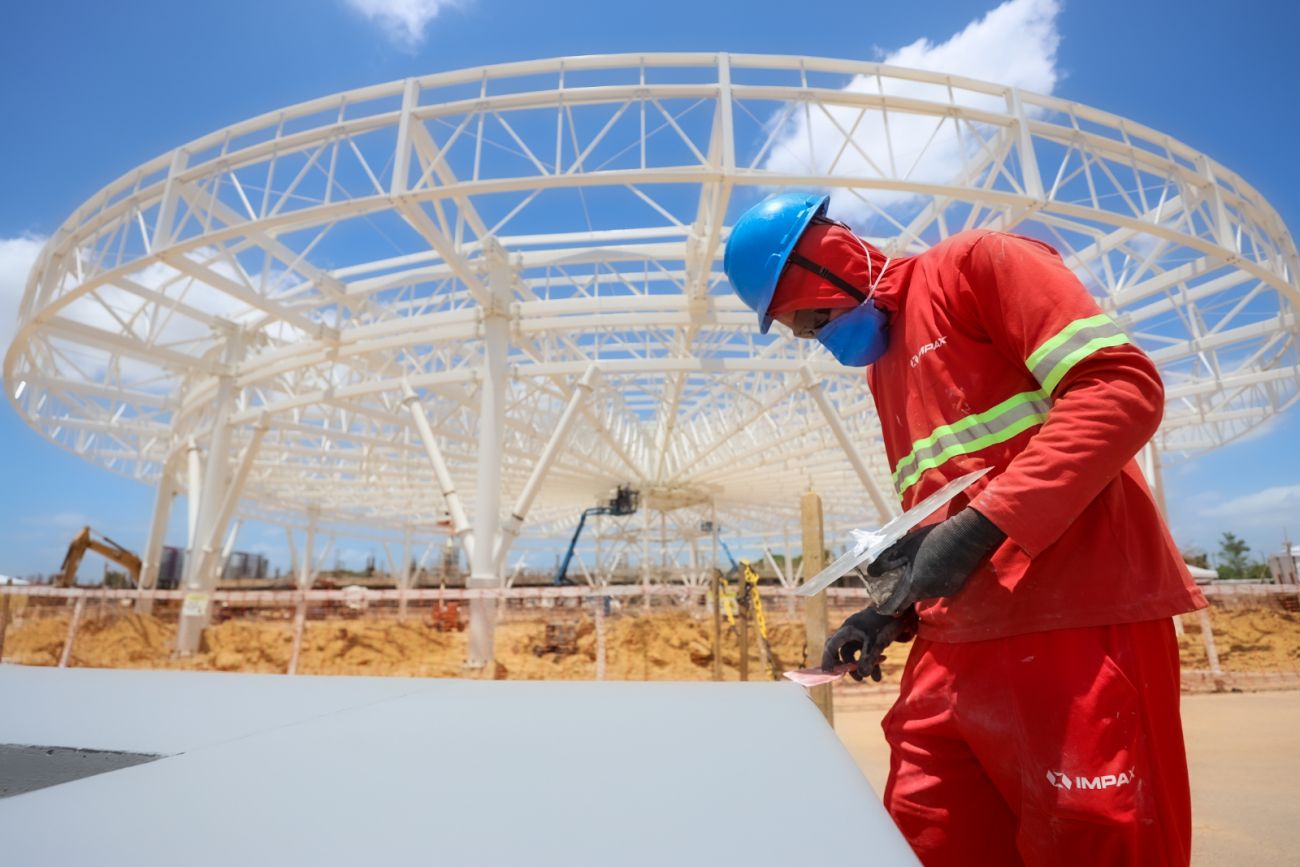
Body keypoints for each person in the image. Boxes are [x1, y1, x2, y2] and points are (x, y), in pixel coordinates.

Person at [723, 192, 1207, 867]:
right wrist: (892, 610)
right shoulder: (886, 370)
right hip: (955, 647)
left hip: (1078, 621)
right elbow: (944, 509)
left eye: (809, 319)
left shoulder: (978, 266)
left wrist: (983, 527)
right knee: (924, 834)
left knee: (1094, 836)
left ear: (829, 265)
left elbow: (1119, 389)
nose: (815, 339)